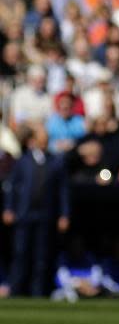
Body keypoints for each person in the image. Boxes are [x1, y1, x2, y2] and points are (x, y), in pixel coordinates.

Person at [3, 123, 70, 297]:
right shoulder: (23, 161)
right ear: (33, 140)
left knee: (42, 257)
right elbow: (12, 187)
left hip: (45, 215)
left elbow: (63, 191)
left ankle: (39, 293)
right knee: (21, 254)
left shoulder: (55, 162)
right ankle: (17, 291)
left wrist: (64, 214)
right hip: (24, 215)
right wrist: (9, 208)